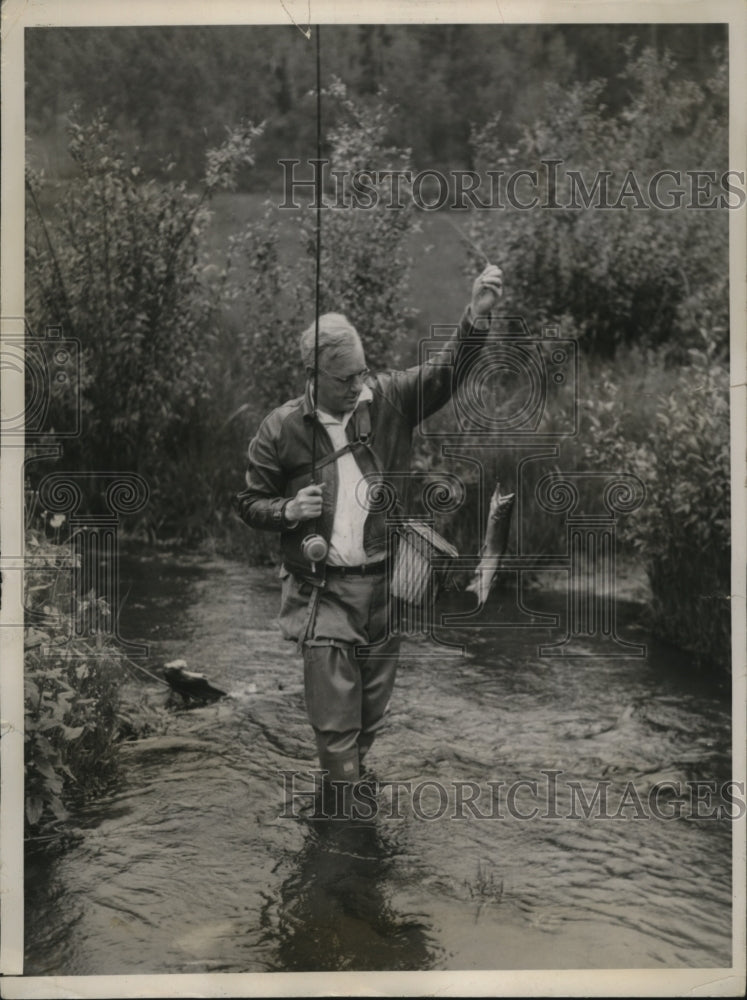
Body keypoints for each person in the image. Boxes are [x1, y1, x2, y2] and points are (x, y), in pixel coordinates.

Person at [235, 264, 503, 810]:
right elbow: (247, 503)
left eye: (362, 372)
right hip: (322, 591)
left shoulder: (388, 400)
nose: (358, 384)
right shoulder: (281, 428)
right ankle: (343, 828)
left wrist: (475, 317)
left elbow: (444, 375)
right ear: (313, 373)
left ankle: (348, 798)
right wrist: (287, 509)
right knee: (335, 728)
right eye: (345, 378)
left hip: (385, 587)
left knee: (370, 715)